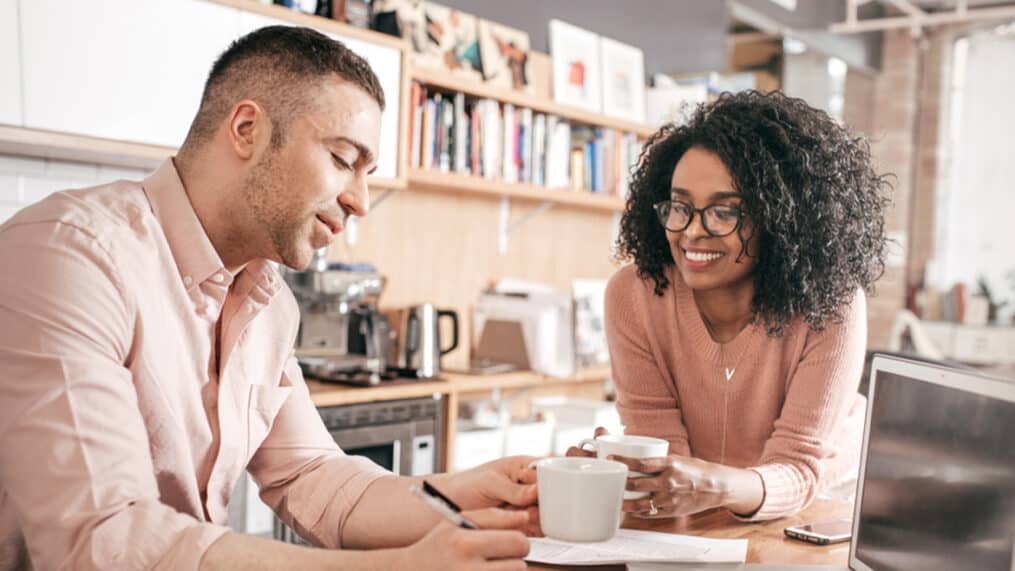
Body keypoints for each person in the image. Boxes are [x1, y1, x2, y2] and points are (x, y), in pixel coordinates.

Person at [0, 26, 537, 571]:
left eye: (368, 174)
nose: (360, 201)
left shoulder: (269, 303)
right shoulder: (69, 253)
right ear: (247, 129)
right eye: (343, 159)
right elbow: (99, 539)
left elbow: (313, 477)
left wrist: (476, 493)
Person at [569, 91, 889, 522]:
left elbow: (798, 468)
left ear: (782, 219)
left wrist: (709, 485)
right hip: (700, 511)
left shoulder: (831, 306)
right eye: (680, 206)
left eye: (723, 212)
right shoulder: (634, 296)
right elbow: (663, 453)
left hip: (817, 510)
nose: (692, 232)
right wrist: (634, 470)